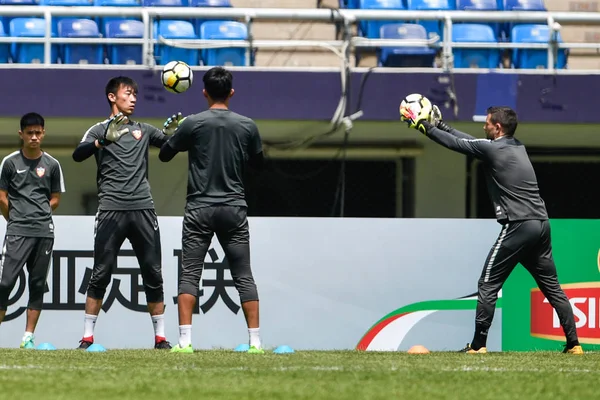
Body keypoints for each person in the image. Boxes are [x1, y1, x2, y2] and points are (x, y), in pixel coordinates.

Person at [400, 103, 583, 355]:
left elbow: (459, 145)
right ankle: (574, 345)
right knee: (552, 287)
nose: (483, 126)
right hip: (541, 224)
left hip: (519, 225)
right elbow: (472, 142)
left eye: (487, 122)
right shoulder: (516, 146)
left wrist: (424, 126)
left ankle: (478, 346)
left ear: (497, 128)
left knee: (487, 284)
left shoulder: (494, 150)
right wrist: (441, 125)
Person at [158, 66, 264, 354]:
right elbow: (259, 165)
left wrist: (173, 134)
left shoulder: (192, 124)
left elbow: (165, 156)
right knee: (244, 274)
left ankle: (184, 342)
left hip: (199, 208)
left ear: (204, 92)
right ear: (231, 92)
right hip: (233, 207)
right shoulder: (247, 125)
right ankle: (255, 342)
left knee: (190, 273)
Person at [72, 76, 182, 350]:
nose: (133, 98)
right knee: (101, 273)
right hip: (110, 210)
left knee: (153, 273)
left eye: (135, 94)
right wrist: (101, 143)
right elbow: (77, 154)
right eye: (128, 93)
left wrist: (175, 136)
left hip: (143, 209)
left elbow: (168, 151)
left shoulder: (143, 129)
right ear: (112, 97)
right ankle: (87, 338)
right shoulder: (98, 130)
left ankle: (160, 339)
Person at [0, 112, 65, 349]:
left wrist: (43, 212)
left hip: (44, 232)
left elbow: (56, 198)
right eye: (30, 133)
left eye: (38, 133)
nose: (34, 137)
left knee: (37, 285)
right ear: (21, 134)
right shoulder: (9, 163)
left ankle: (28, 337)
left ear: (44, 133)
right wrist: (15, 217)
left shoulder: (52, 165)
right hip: (17, 231)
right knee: (4, 283)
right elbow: (1, 196)